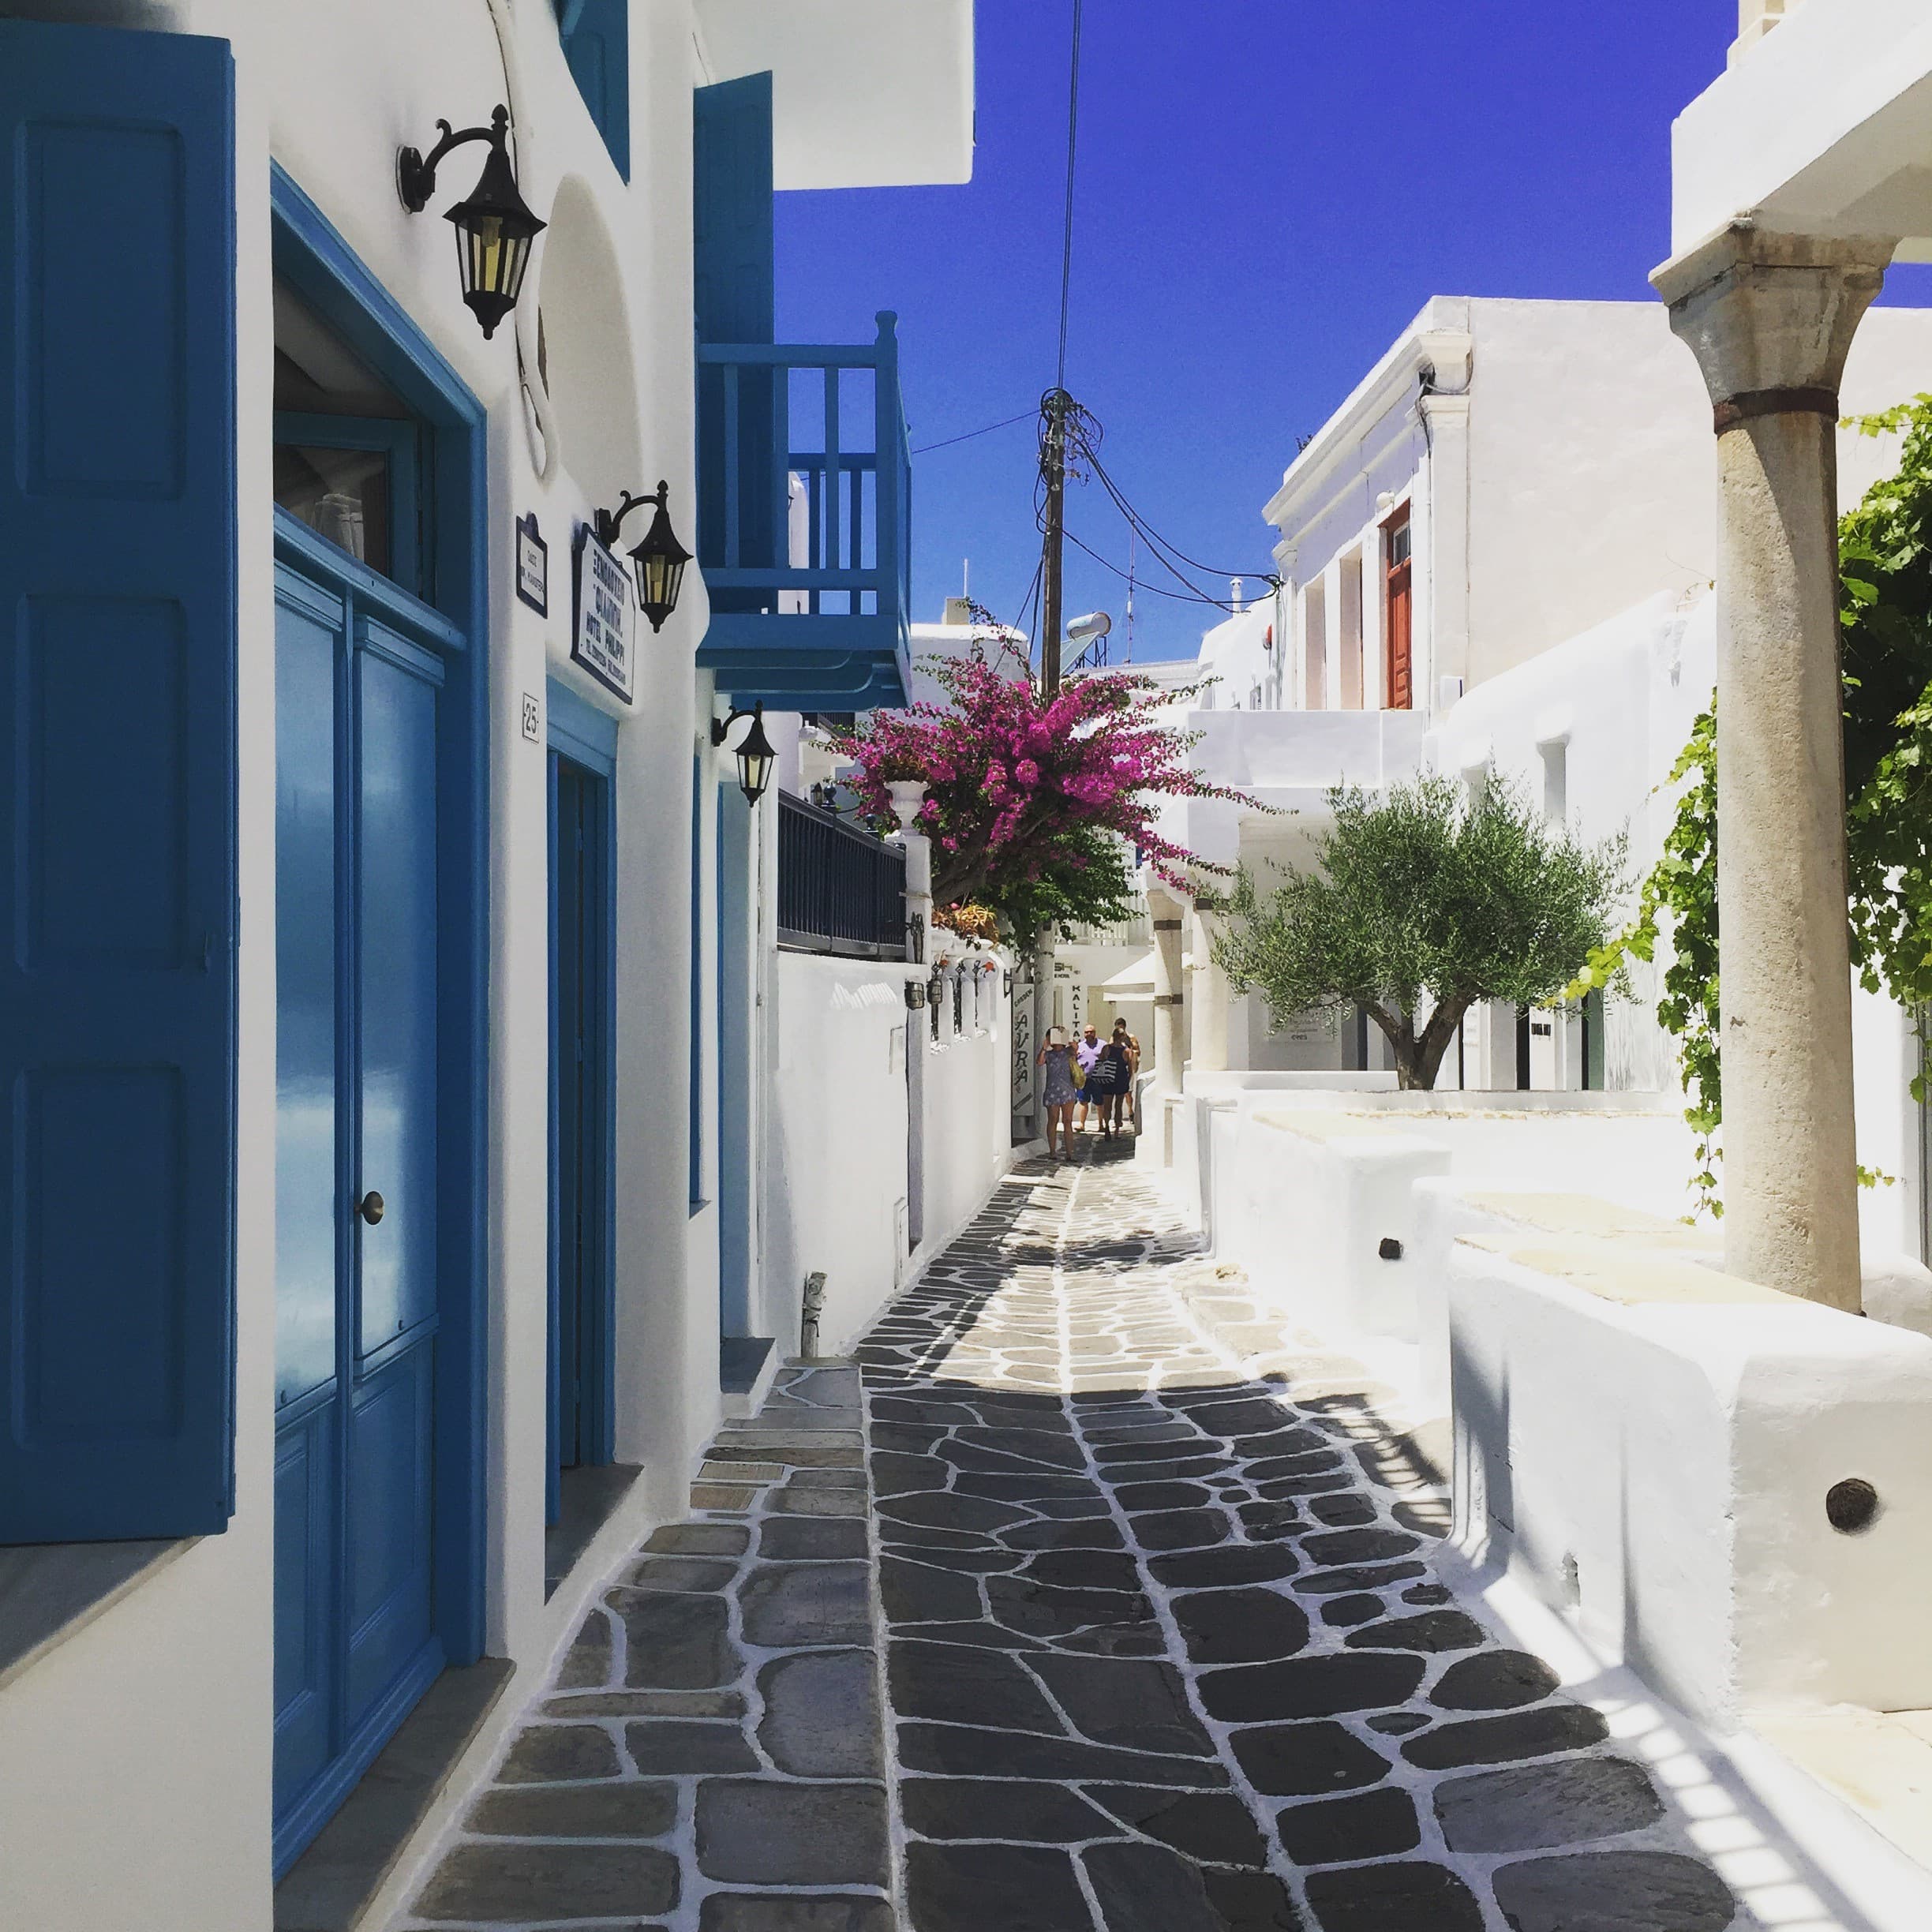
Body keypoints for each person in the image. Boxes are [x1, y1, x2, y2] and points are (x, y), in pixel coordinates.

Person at [1037, 1028, 1079, 1160]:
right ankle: (1052, 1152)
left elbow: (1076, 1049)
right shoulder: (1048, 1055)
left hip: (1067, 1090)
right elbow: (1039, 1062)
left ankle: (1069, 1153)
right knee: (1053, 1120)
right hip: (1053, 1091)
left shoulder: (1068, 1052)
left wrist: (1066, 1035)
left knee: (1068, 1121)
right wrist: (1044, 1047)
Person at [1108, 1018, 1140, 1136]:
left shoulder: (1131, 1037)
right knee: (1114, 1099)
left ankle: (1130, 1111)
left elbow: (1138, 1051)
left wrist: (1130, 1052)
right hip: (1114, 1073)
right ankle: (1113, 1125)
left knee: (1128, 1093)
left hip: (1126, 1069)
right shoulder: (1113, 1039)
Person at [1073, 1023, 1104, 1136]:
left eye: (1091, 1032)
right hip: (1084, 1078)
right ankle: (1082, 1124)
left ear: (1095, 1033)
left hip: (1098, 1079)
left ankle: (1101, 1125)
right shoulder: (1080, 1046)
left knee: (1100, 1102)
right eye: (1087, 1032)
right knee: (1083, 1101)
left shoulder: (1102, 1045)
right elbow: (1073, 1059)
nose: (1089, 1034)